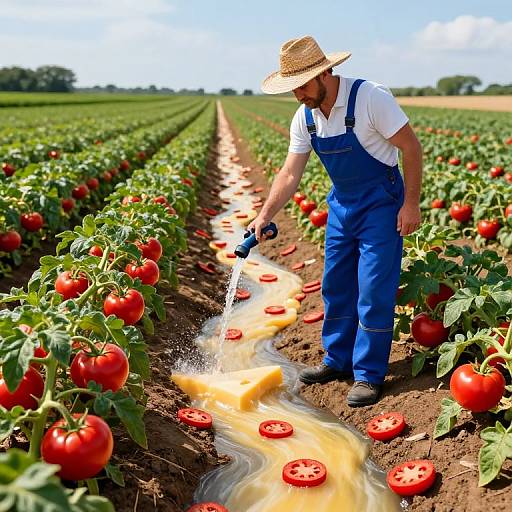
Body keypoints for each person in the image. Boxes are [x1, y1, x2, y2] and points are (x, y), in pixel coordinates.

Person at [249, 35, 422, 407]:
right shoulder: (305, 116)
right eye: (292, 88)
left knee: (374, 288)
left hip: (382, 203)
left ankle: (368, 374)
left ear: (325, 72)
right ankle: (338, 360)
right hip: (343, 206)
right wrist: (264, 215)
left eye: (303, 85)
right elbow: (289, 173)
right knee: (336, 284)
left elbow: (411, 147)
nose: (298, 95)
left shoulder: (370, 98)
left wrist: (411, 205)